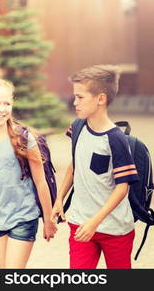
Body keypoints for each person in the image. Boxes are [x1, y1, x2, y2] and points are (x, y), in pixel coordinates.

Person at [51, 65, 139, 269]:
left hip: (115, 229)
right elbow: (75, 165)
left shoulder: (116, 138)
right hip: (80, 224)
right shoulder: (78, 126)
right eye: (75, 96)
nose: (74, 102)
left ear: (101, 99)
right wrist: (59, 199)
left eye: (80, 97)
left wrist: (95, 222)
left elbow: (122, 188)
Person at [0, 78, 57, 268]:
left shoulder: (24, 138)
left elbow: (41, 182)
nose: (2, 108)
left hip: (24, 216)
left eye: (7, 103)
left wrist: (48, 220)